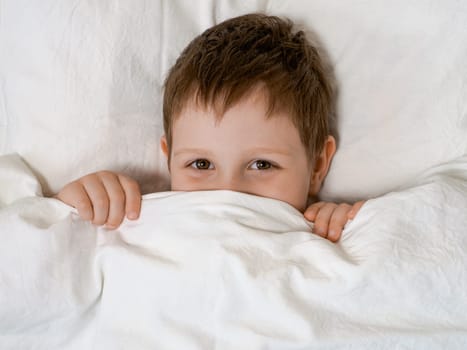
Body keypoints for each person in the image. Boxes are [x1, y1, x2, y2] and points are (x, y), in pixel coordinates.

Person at [55, 14, 364, 242]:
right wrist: (76, 204)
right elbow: (39, 247)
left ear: (317, 165)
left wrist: (352, 225)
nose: (227, 192)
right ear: (169, 158)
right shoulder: (138, 216)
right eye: (201, 164)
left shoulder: (321, 234)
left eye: (262, 164)